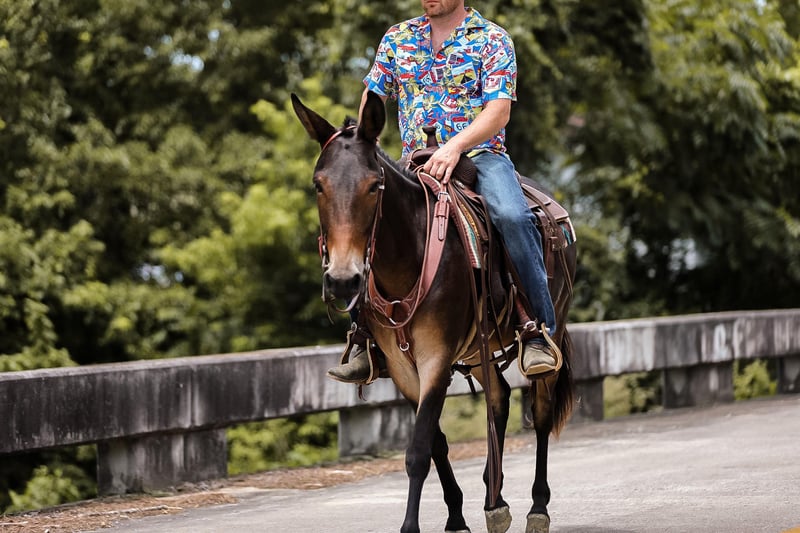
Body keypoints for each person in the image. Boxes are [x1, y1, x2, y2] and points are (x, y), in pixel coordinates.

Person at [327, 0, 558, 383]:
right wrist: (365, 143)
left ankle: (537, 330)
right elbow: (373, 96)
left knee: (513, 216)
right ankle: (364, 338)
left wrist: (454, 147)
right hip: (414, 162)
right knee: (359, 213)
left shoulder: (492, 39)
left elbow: (498, 111)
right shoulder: (398, 38)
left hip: (480, 157)